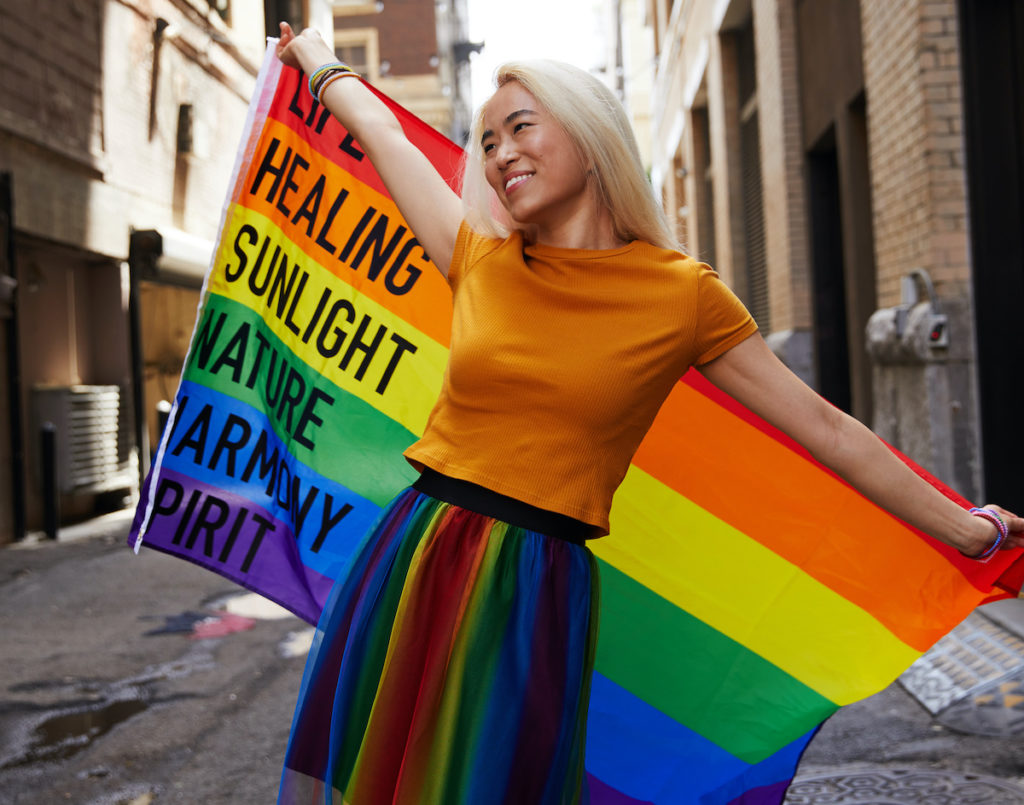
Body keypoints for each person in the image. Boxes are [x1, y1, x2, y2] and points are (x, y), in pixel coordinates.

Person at [273, 23, 1022, 805]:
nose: (498, 155)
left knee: (492, 782)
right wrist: (318, 59)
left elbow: (827, 428)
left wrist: (967, 528)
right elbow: (384, 132)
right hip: (422, 551)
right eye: (486, 141)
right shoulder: (481, 259)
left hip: (536, 580)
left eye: (521, 127)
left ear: (590, 138)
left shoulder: (683, 294)